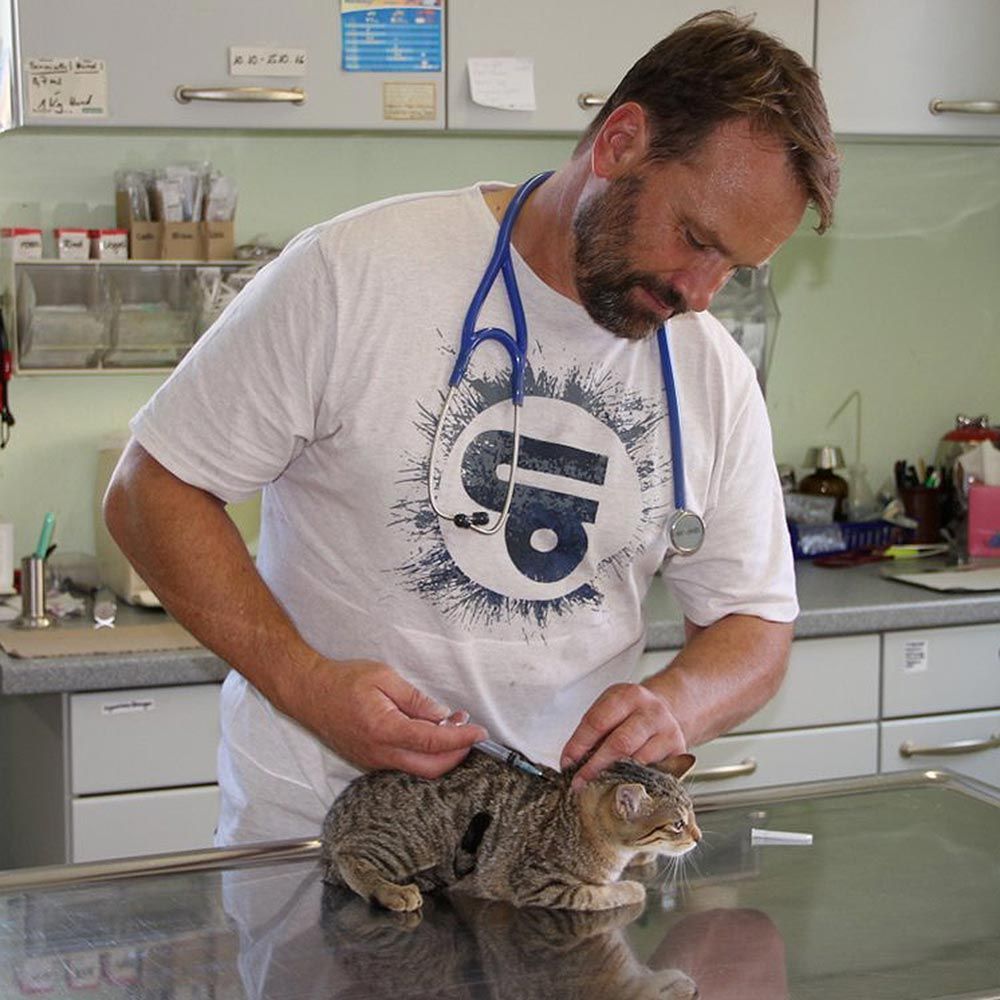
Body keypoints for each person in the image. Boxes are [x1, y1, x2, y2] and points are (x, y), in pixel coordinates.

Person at [104, 10, 839, 845]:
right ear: (620, 142)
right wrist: (308, 685)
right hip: (330, 845)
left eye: (733, 267)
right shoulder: (356, 276)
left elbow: (754, 626)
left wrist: (678, 703)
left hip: (557, 859)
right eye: (695, 239)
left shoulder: (710, 372)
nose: (701, 293)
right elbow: (150, 491)